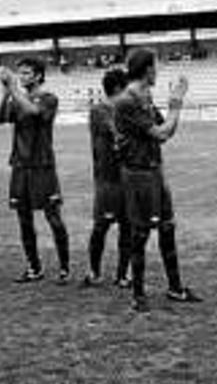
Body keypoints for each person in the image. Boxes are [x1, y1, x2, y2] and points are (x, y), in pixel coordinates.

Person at [114, 48, 201, 312]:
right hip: (138, 174)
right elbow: (162, 133)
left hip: (154, 170)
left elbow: (166, 130)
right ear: (147, 69)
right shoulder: (127, 100)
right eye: (156, 65)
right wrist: (176, 102)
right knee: (140, 234)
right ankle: (138, 295)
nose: (158, 70)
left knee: (167, 228)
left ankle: (175, 288)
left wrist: (173, 106)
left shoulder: (145, 95)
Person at [0, 58, 70, 284]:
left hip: (42, 167)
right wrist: (5, 93)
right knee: (24, 219)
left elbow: (35, 112)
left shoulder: (49, 98)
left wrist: (13, 89)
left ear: (38, 75)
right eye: (20, 73)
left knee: (53, 218)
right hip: (20, 166)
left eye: (27, 73)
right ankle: (34, 267)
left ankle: (64, 267)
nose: (22, 77)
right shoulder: (17, 98)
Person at [83, 68, 131, 288]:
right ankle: (94, 272)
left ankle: (122, 275)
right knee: (101, 226)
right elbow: (116, 131)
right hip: (108, 180)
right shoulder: (100, 110)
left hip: (128, 178)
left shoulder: (125, 109)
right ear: (119, 88)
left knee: (127, 228)